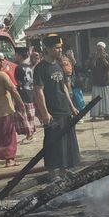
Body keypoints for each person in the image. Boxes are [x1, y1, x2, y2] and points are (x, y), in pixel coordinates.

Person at [34, 34, 81, 177]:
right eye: (56, 48)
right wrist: (44, 112)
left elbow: (64, 88)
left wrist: (72, 107)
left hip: (64, 109)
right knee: (53, 142)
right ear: (47, 49)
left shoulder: (59, 65)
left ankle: (64, 169)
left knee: (67, 141)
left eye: (60, 48)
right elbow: (38, 91)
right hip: (52, 110)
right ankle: (52, 172)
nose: (60, 51)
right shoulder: (40, 68)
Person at [12, 50, 37, 143]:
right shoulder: (29, 67)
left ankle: (29, 135)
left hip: (22, 93)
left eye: (16, 55)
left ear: (20, 56)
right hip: (30, 92)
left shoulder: (18, 68)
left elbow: (18, 81)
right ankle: (31, 134)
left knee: (23, 115)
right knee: (30, 114)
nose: (15, 56)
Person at [89, 42, 109, 120]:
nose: (99, 51)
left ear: (104, 49)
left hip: (105, 81)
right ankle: (94, 115)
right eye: (98, 49)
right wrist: (95, 58)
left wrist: (103, 58)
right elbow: (91, 67)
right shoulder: (93, 57)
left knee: (106, 99)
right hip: (96, 82)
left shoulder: (107, 57)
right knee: (95, 100)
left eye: (101, 49)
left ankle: (106, 114)